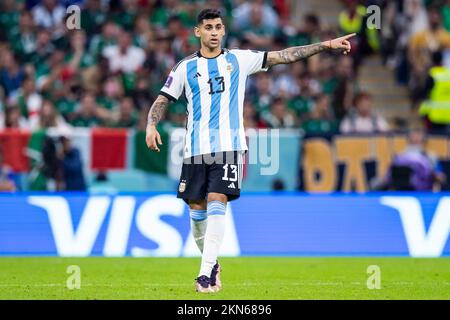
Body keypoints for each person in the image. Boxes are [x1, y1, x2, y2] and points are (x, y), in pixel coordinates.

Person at [145, 8, 354, 293]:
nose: (215, 32)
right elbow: (163, 99)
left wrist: (325, 45)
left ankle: (204, 274)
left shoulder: (239, 59)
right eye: (208, 27)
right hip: (195, 148)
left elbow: (285, 55)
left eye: (219, 26)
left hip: (230, 147)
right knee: (196, 210)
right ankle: (212, 262)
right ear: (198, 32)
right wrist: (150, 124)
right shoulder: (185, 67)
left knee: (218, 198)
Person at [381, 129, 446, 191]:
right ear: (408, 139)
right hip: (401, 192)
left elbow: (440, 176)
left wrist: (435, 175)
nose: (416, 139)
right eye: (414, 137)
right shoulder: (399, 157)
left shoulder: (430, 156)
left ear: (424, 140)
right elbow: (387, 177)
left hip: (424, 193)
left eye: (418, 137)